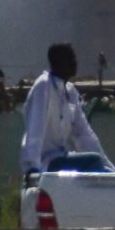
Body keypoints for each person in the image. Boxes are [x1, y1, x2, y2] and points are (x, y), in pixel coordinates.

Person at [18, 44, 104, 178]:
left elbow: (84, 134)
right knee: (93, 161)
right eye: (70, 58)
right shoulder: (43, 86)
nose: (74, 63)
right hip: (46, 162)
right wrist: (32, 167)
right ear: (58, 62)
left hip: (62, 157)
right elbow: (36, 129)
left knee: (98, 163)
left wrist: (108, 166)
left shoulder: (70, 92)